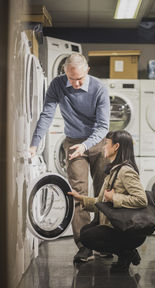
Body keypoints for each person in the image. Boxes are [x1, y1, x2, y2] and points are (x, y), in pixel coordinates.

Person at [29, 53, 110, 262]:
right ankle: (85, 246)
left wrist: (86, 145)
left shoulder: (99, 88)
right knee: (77, 193)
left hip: (99, 143)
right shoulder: (57, 85)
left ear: (87, 70)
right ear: (65, 72)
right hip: (73, 142)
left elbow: (103, 126)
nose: (74, 84)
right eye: (70, 79)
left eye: (79, 79)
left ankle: (103, 242)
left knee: (103, 192)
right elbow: (47, 114)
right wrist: (34, 144)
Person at [68, 130, 148, 273]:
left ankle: (126, 252)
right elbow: (102, 204)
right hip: (120, 228)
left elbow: (142, 199)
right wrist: (81, 199)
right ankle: (125, 253)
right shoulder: (114, 170)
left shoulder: (125, 171)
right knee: (86, 231)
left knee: (87, 237)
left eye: (106, 144)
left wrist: (114, 198)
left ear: (116, 147)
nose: (103, 147)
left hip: (129, 230)